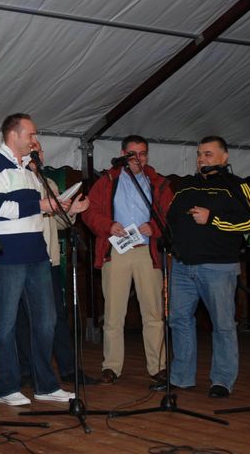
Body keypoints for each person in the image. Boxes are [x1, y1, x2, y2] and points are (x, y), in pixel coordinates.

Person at [0, 113, 74, 406]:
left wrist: (58, 205)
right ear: (13, 135)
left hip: (37, 252)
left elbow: (36, 210)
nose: (35, 140)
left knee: (46, 321)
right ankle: (7, 388)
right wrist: (40, 204)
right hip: (7, 253)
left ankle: (45, 385)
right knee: (4, 324)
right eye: (31, 134)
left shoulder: (31, 170)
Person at [164, 136, 250, 398]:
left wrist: (213, 219)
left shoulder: (236, 185)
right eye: (199, 154)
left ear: (224, 157)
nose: (201, 159)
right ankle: (181, 377)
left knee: (223, 325)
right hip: (182, 266)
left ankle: (222, 381)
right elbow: (170, 217)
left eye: (207, 154)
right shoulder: (186, 185)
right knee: (179, 320)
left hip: (218, 268)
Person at [81, 135, 171, 385]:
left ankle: (158, 367)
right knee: (113, 314)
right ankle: (111, 366)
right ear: (122, 154)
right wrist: (108, 225)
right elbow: (89, 212)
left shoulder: (159, 183)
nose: (138, 159)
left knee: (153, 314)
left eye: (143, 154)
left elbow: (170, 214)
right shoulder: (107, 181)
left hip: (147, 252)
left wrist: (155, 227)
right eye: (133, 154)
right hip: (116, 251)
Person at [16, 139, 94, 387]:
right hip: (23, 260)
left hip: (48, 259)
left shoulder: (49, 183)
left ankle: (69, 369)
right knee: (24, 318)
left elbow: (57, 223)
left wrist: (72, 211)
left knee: (57, 316)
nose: (38, 154)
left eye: (39, 150)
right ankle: (26, 372)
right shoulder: (16, 180)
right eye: (33, 150)